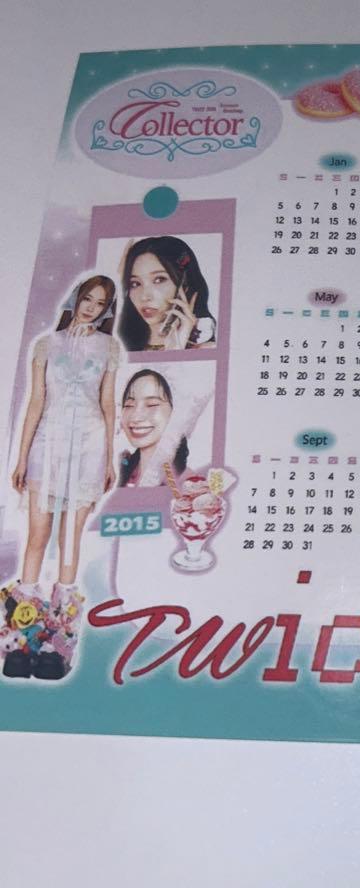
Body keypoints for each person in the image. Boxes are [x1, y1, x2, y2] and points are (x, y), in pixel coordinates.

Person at [3, 276, 120, 680]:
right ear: (75, 298)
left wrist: (109, 458)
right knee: (38, 535)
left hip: (89, 447)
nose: (91, 307)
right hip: (47, 445)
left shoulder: (108, 348)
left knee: (70, 540)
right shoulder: (46, 345)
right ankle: (22, 641)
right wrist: (21, 457)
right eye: (87, 298)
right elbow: (36, 401)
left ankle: (57, 645)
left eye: (100, 303)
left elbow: (107, 403)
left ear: (107, 310)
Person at [117, 236, 217, 351]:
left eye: (159, 280)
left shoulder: (207, 349)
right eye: (135, 283)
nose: (144, 297)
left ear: (185, 285)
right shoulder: (119, 346)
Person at [117, 369, 191, 487]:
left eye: (152, 404)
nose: (136, 417)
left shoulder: (189, 484)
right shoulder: (120, 472)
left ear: (174, 412)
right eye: (129, 405)